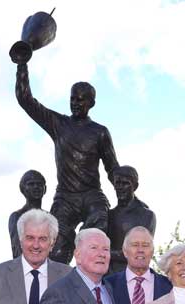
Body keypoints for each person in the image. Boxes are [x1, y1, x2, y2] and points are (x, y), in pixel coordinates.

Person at [15, 61, 120, 264]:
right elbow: (26, 100)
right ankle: (57, 286)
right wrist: (22, 64)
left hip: (92, 195)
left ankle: (92, 280)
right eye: (72, 99)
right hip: (65, 197)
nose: (75, 103)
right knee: (55, 248)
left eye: (81, 100)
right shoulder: (58, 124)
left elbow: (112, 168)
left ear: (91, 103)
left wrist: (128, 196)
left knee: (96, 233)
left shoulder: (100, 132)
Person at [106, 166, 157, 274]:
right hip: (109, 277)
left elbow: (142, 251)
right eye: (117, 183)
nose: (120, 187)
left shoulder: (146, 215)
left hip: (135, 274)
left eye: (125, 183)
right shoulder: (108, 215)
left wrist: (105, 253)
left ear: (135, 186)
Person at [8, 170, 48, 259]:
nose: (36, 187)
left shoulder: (50, 218)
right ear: (23, 189)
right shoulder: (17, 217)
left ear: (45, 189)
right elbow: (17, 250)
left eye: (39, 184)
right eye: (31, 184)